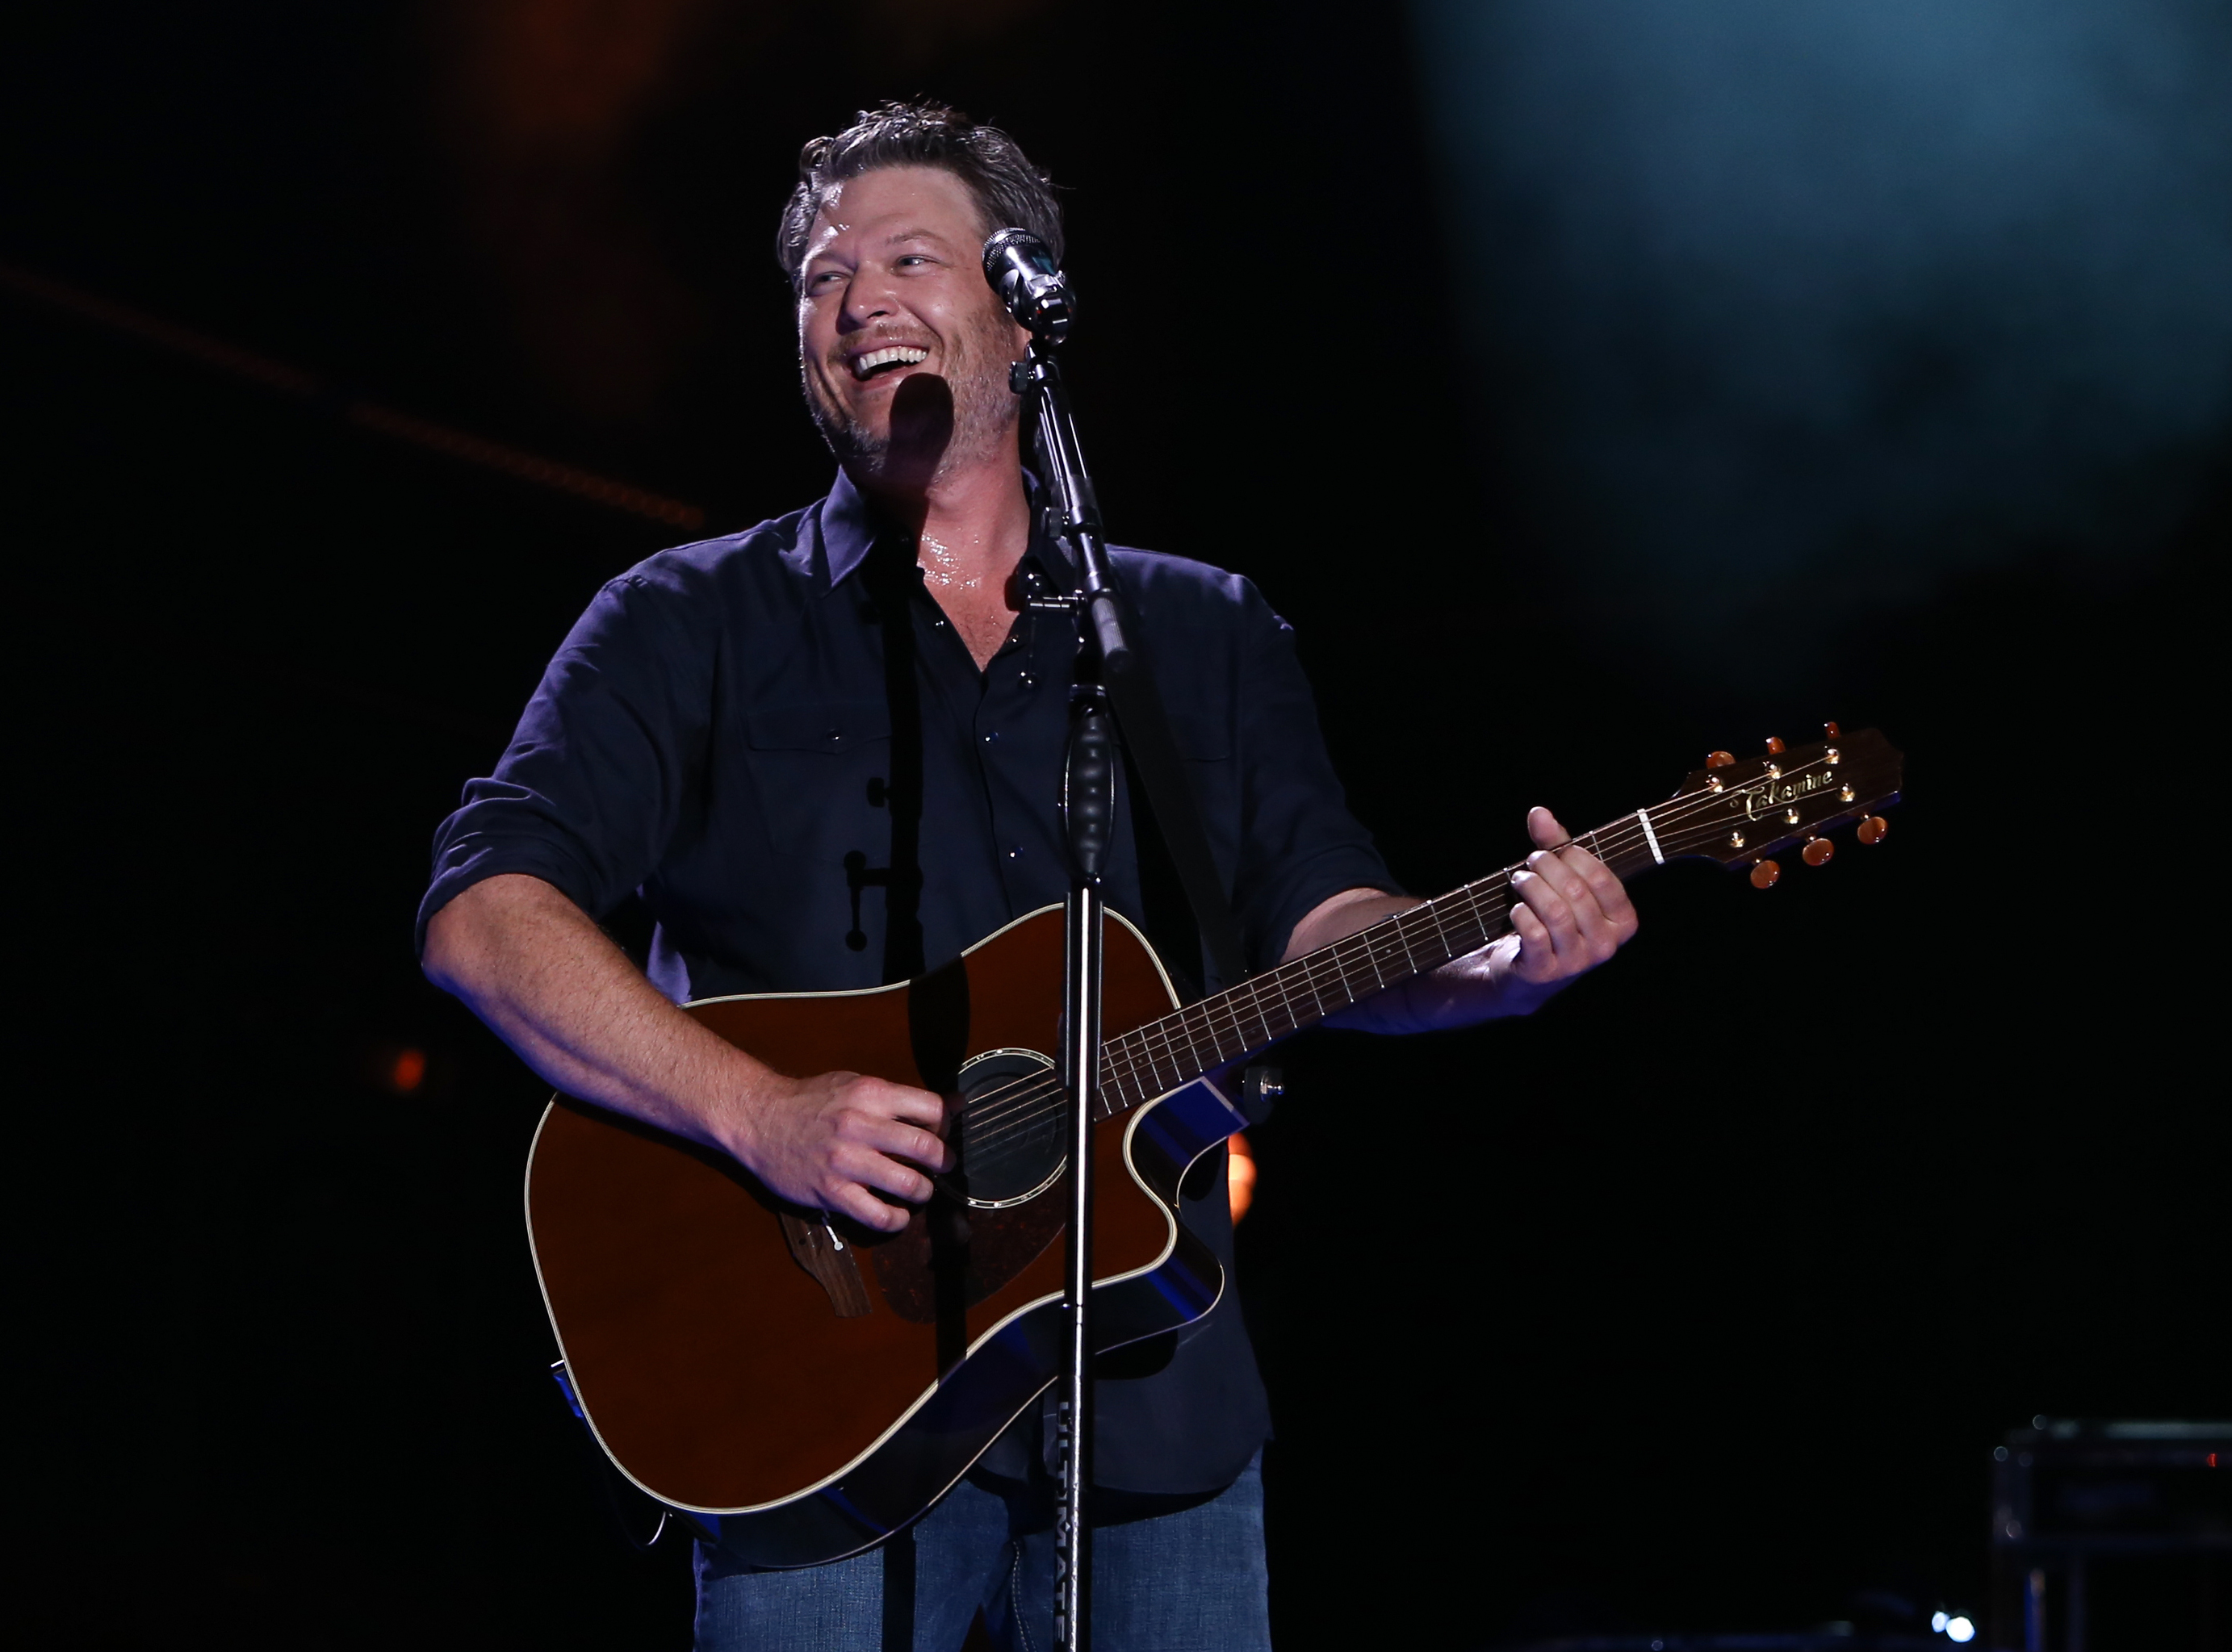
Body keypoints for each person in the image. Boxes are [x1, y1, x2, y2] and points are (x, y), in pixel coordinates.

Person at [418, 101, 1637, 1652]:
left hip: (1152, 1409)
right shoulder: (688, 621)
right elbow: (483, 913)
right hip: (811, 1411)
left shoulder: (1197, 636)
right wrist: (761, 1112)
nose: (854, 299)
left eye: (905, 257)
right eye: (818, 276)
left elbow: (1323, 924)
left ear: (1022, 299)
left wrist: (1494, 969)